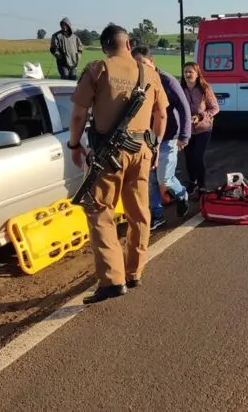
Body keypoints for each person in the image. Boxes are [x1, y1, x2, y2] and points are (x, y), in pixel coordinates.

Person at [67, 24, 168, 304]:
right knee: (140, 212)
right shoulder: (150, 72)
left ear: (104, 46)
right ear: (128, 44)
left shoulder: (98, 69)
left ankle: (112, 280)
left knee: (99, 210)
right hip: (142, 149)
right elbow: (161, 116)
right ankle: (135, 271)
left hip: (109, 154)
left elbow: (77, 115)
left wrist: (74, 145)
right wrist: (156, 145)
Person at [131, 45, 192, 229]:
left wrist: (184, 135)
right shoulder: (136, 82)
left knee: (164, 178)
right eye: (136, 64)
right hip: (146, 138)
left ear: (152, 61)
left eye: (142, 63)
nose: (140, 67)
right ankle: (157, 215)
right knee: (150, 180)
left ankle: (181, 193)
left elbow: (184, 108)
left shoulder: (167, 81)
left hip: (168, 137)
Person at [180, 61, 219, 194]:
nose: (187, 74)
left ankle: (202, 185)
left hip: (204, 129)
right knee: (189, 158)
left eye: (190, 72)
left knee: (198, 156)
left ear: (197, 74)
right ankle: (193, 182)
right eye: (185, 72)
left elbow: (215, 108)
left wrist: (201, 116)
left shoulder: (205, 89)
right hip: (187, 130)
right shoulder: (181, 89)